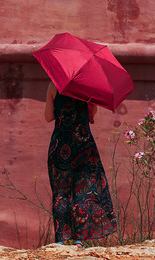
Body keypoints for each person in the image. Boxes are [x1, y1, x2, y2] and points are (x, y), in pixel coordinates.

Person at [45, 81, 117, 248]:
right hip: (83, 142)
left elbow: (48, 117)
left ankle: (61, 240)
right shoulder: (88, 85)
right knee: (84, 190)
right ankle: (79, 240)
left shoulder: (53, 85)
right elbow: (92, 114)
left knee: (61, 192)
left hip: (60, 144)